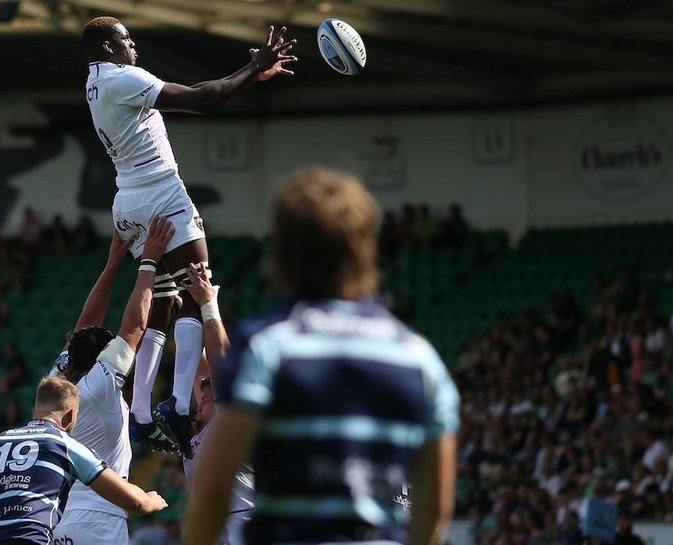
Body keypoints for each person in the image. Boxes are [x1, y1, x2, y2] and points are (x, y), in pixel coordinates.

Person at [184, 168, 461, 545]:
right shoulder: (420, 358)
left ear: (282, 251)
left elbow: (214, 488)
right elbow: (436, 505)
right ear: (366, 249)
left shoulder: (266, 347)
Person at [81, 16, 297, 457]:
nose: (133, 45)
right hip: (161, 193)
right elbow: (201, 99)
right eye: (126, 39)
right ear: (108, 47)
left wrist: (249, 77)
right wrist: (253, 68)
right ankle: (179, 405)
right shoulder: (125, 78)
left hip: (129, 199)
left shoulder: (96, 83)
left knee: (166, 299)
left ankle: (141, 412)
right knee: (199, 290)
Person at [49, 216, 173, 545]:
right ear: (103, 355)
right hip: (99, 518)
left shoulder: (57, 377)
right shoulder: (100, 384)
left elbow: (85, 325)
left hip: (60, 516)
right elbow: (134, 325)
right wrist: (149, 259)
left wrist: (112, 265)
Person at [0, 376, 168, 545]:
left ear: (35, 410)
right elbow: (133, 502)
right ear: (70, 415)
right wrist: (151, 501)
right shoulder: (65, 444)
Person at [179, 264, 254, 545]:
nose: (202, 397)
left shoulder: (231, 420)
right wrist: (184, 310)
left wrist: (209, 305)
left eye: (209, 395)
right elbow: (200, 371)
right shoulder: (205, 429)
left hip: (243, 525)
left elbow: (219, 363)